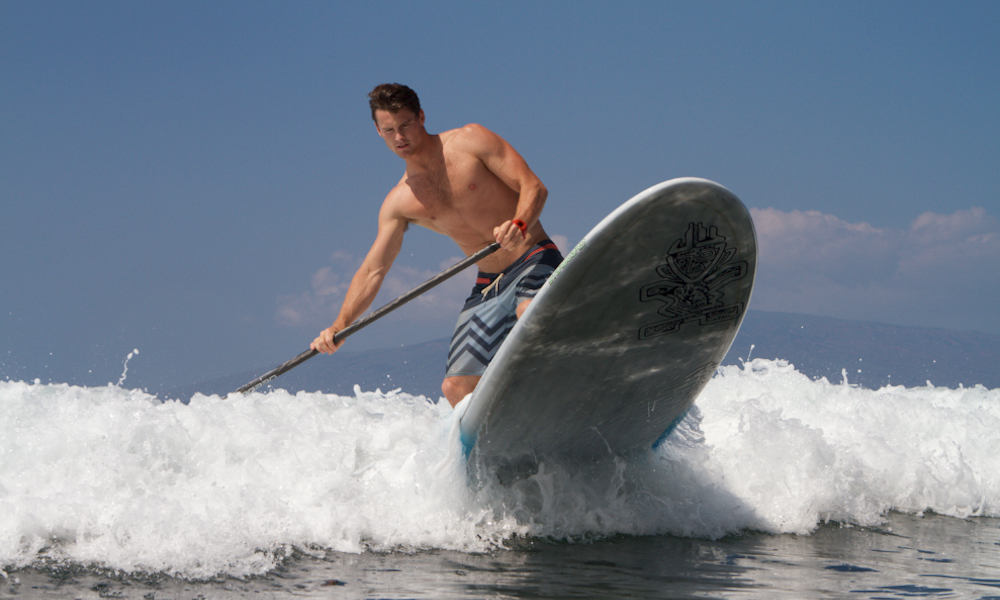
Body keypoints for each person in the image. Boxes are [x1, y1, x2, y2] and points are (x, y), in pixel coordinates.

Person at [310, 83, 562, 407]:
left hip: (533, 257)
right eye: (389, 130)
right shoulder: (399, 202)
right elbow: (374, 269)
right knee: (455, 388)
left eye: (405, 125)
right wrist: (339, 325)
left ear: (421, 117)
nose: (399, 137)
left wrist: (520, 223)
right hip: (489, 285)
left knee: (530, 312)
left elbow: (533, 186)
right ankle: (505, 439)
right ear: (378, 131)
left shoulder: (471, 141)